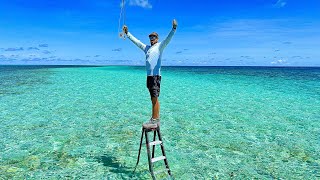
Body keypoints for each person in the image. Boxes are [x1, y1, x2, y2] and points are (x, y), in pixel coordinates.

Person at [123, 19, 177, 128]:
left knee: (155, 97)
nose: (152, 39)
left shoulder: (160, 46)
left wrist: (174, 29)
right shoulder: (147, 48)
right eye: (150, 37)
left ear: (157, 39)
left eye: (154, 37)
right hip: (149, 77)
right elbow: (137, 42)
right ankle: (154, 118)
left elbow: (168, 39)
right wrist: (127, 34)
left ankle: (155, 119)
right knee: (153, 98)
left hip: (156, 76)